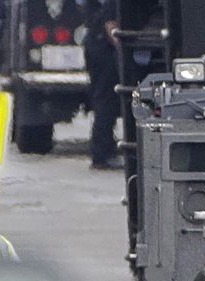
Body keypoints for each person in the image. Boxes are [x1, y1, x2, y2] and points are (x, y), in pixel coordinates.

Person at [81, 0, 122, 170]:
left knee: (104, 98)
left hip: (97, 44)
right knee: (106, 98)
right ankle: (101, 153)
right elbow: (110, 24)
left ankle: (104, 150)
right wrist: (122, 46)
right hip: (102, 48)